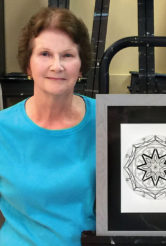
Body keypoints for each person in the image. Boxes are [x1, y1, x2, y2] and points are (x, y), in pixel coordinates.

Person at [0, 7, 95, 246]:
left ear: (81, 66)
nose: (57, 66)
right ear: (28, 65)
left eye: (67, 55)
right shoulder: (3, 129)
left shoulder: (107, 120)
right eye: (45, 54)